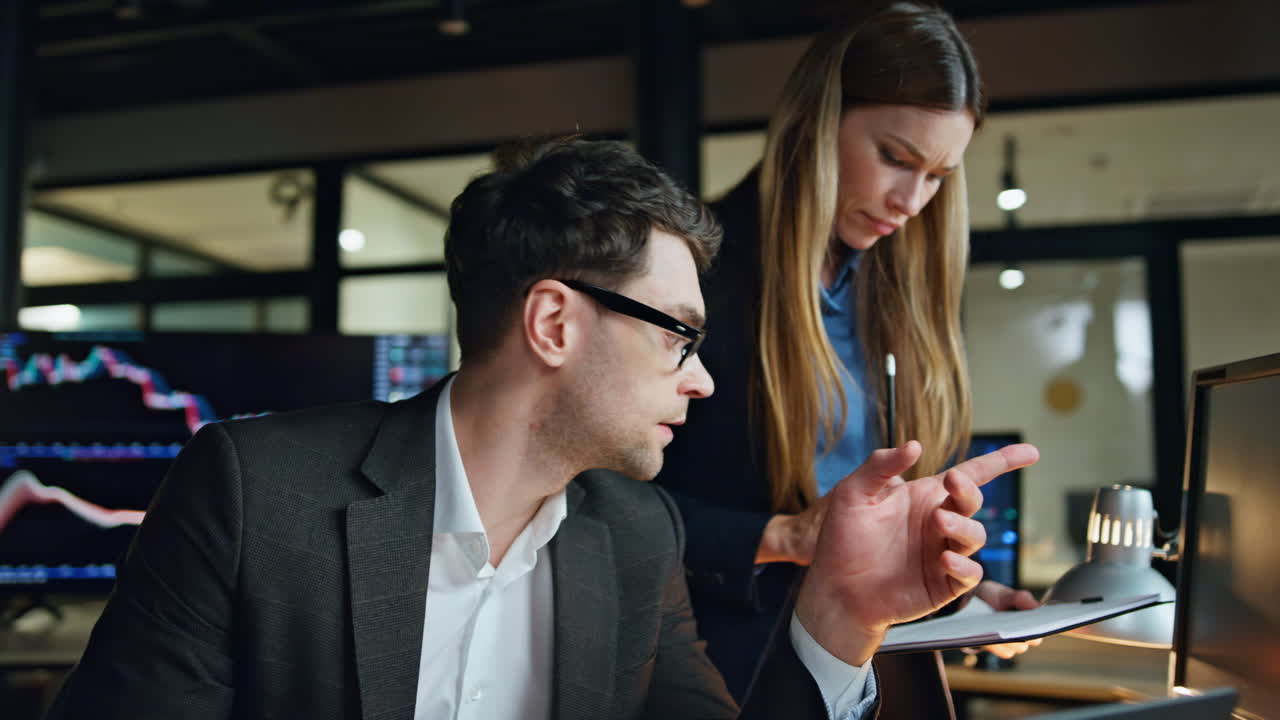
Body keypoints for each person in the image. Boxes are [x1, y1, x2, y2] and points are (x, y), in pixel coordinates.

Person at [46, 138, 1037, 720]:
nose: (700, 381)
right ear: (554, 323)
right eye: (679, 338)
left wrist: (843, 615)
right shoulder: (253, 494)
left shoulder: (636, 537)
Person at [656, 0, 1040, 702]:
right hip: (725, 676)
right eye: (895, 158)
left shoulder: (895, 296)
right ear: (815, 122)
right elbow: (601, 502)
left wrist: (961, 598)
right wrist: (782, 535)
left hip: (874, 679)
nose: (911, 201)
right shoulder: (693, 273)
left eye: (938, 175)